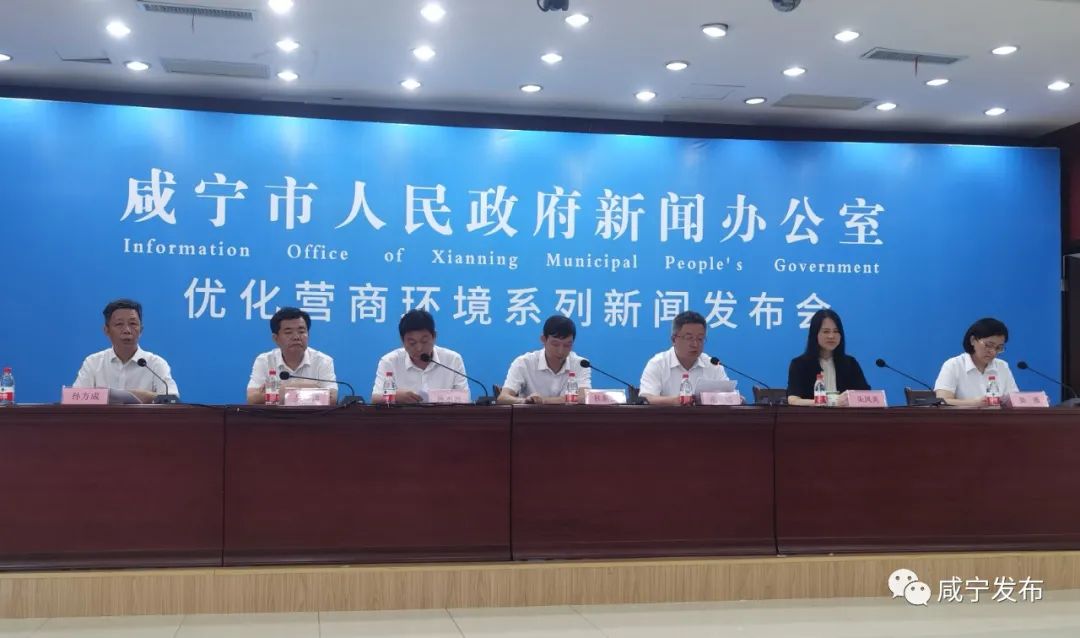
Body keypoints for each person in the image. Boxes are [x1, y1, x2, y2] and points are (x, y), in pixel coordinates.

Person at [73, 298, 180, 403]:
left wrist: (143, 395)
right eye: (119, 324)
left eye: (133, 324)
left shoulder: (155, 364)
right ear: (106, 330)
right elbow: (75, 399)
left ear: (141, 330)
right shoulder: (93, 363)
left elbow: (172, 400)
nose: (127, 330)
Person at [371, 309, 469, 403]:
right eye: (412, 343)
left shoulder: (453, 360)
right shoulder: (389, 362)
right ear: (402, 340)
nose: (419, 348)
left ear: (434, 336)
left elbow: (465, 399)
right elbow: (375, 398)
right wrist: (395, 396)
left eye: (424, 341)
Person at [639, 310, 733, 405]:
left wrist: (734, 398)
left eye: (700, 339)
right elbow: (647, 398)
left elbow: (729, 396)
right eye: (689, 338)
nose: (695, 344)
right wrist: (677, 401)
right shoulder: (658, 364)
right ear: (674, 340)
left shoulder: (713, 365)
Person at [246, 307, 337, 404]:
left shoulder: (323, 361)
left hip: (313, 414)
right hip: (274, 414)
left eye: (301, 332)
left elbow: (332, 399)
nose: (296, 337)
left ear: (308, 334)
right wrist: (312, 388)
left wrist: (278, 390)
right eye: (288, 332)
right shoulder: (265, 360)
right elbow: (252, 398)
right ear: (275, 338)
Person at [497, 315, 591, 404]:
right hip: (531, 415)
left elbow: (584, 397)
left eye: (567, 345)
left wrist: (544, 401)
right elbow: (503, 397)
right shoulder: (524, 363)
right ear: (543, 340)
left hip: (568, 415)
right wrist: (525, 401)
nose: (561, 351)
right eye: (555, 344)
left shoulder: (580, 364)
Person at [786, 308, 869, 406]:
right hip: (811, 415)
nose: (831, 336)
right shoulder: (799, 364)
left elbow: (865, 395)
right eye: (826, 331)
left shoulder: (850, 363)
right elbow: (793, 400)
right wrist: (830, 402)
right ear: (815, 334)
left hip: (846, 415)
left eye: (836, 331)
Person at [934, 317, 1019, 406]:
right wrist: (975, 403)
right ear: (973, 340)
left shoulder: (1002, 366)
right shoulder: (954, 365)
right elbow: (942, 401)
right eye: (988, 345)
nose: (993, 352)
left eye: (999, 348)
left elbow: (1014, 401)